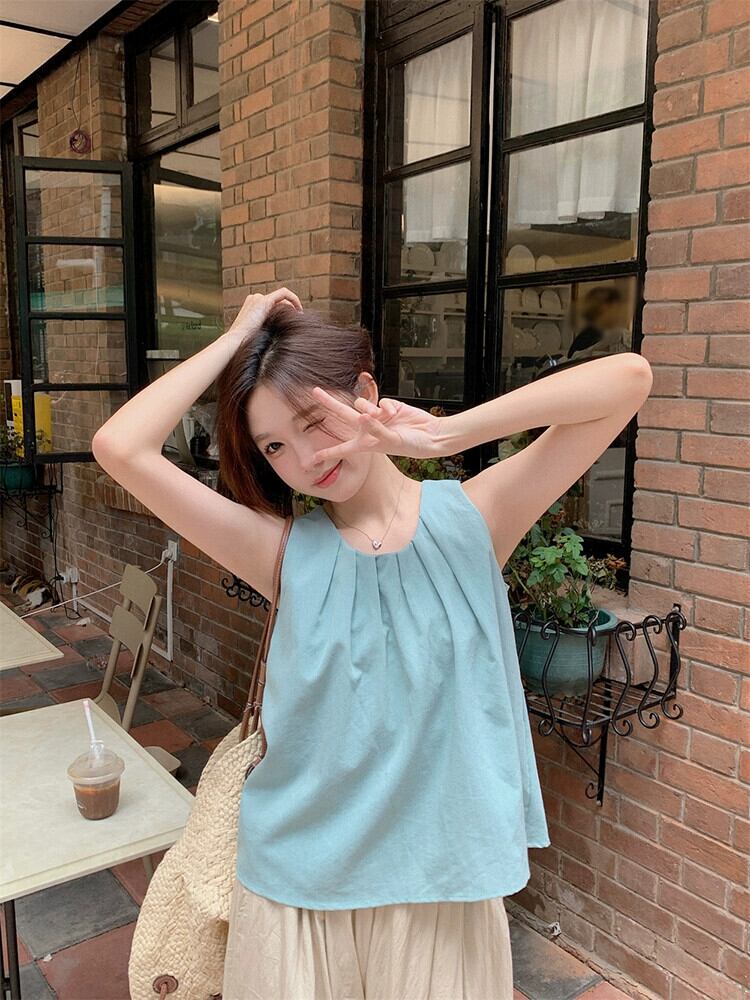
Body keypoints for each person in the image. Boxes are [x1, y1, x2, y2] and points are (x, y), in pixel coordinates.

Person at [92, 288, 653, 1000]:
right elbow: (120, 447)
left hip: (441, 888)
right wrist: (238, 338)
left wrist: (447, 436)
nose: (305, 458)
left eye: (313, 421)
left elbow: (628, 379)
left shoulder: (476, 520)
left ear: (364, 392)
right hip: (297, 890)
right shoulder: (279, 552)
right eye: (274, 446)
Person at [566, 286, 630, 361]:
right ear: (605, 307)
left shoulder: (617, 335)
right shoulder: (589, 338)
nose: (619, 312)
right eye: (617, 307)